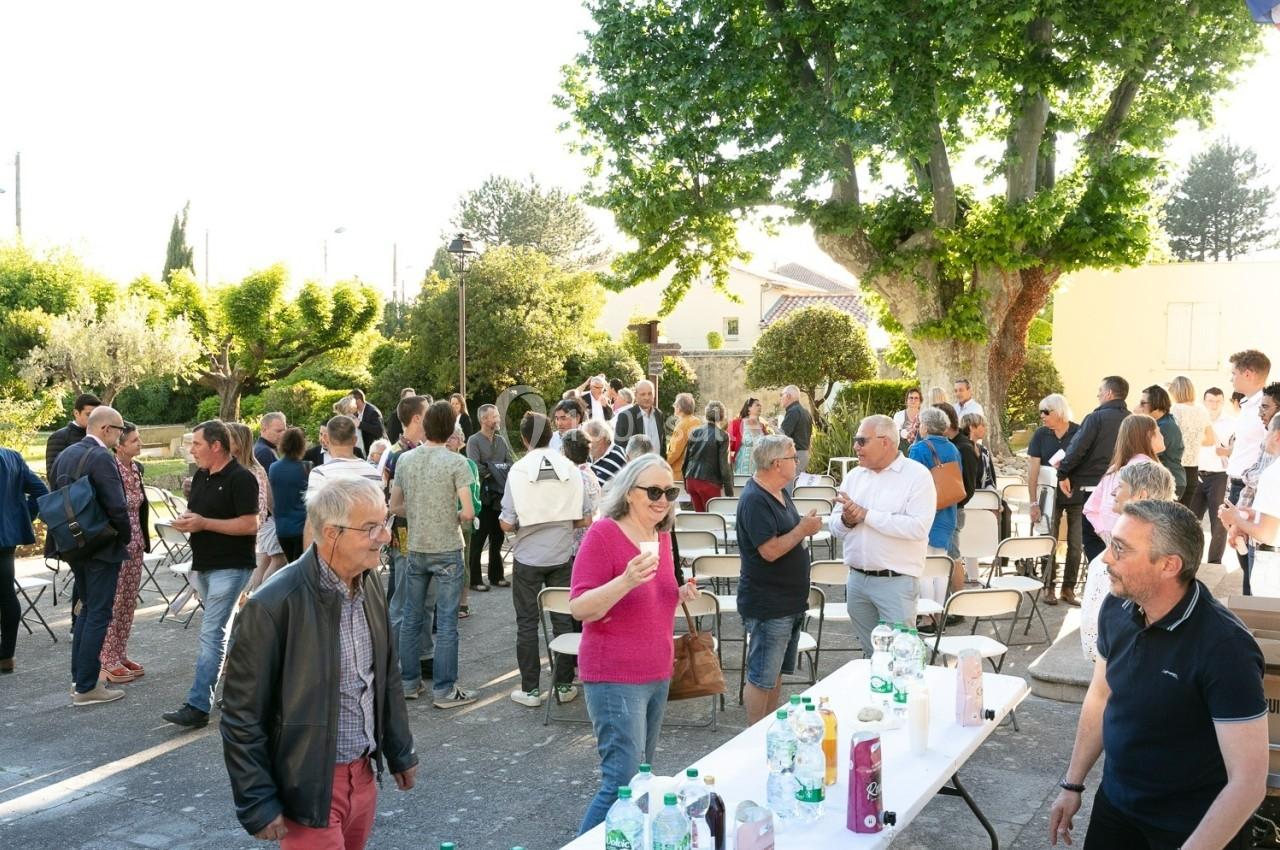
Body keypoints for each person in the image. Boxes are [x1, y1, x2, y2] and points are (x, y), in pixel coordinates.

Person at [1049, 500, 1266, 850]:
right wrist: (1072, 784)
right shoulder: (1117, 607)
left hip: (1192, 826)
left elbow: (1248, 781)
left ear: (1169, 565)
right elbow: (1101, 696)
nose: (1106, 558)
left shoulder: (1227, 649)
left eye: (1120, 548)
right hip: (1116, 806)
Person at [221, 476, 418, 849]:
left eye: (386, 522)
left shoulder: (369, 582)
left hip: (362, 776)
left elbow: (385, 676)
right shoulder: (273, 605)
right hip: (308, 785)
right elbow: (240, 715)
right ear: (331, 533)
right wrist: (257, 800)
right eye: (371, 527)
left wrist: (400, 750)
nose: (386, 536)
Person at [569, 454, 700, 833]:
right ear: (629, 493)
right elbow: (580, 607)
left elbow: (653, 600)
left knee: (640, 781)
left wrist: (679, 593)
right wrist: (625, 580)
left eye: (670, 492)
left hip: (657, 670)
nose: (663, 500)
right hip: (615, 675)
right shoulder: (604, 534)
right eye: (654, 491)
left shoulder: (659, 535)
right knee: (621, 785)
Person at [163, 419, 260, 728]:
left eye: (196, 444)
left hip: (231, 567)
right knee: (223, 634)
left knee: (211, 633)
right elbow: (203, 515)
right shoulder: (203, 476)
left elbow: (250, 524)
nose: (191, 450)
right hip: (204, 565)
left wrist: (203, 523)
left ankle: (197, 705)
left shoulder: (242, 478)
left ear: (216, 446)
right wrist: (187, 521)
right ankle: (255, 685)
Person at [388, 400, 478, 709]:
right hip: (447, 547)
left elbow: (394, 505)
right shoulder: (457, 463)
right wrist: (447, 514)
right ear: (452, 428)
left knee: (412, 617)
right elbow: (467, 512)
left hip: (416, 546)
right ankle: (444, 689)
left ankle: (409, 683)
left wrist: (419, 512)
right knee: (448, 621)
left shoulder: (406, 460)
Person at [500, 412, 591, 707]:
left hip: (528, 557)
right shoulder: (571, 468)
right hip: (562, 554)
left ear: (524, 438)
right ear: (551, 433)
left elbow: (506, 521)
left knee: (526, 623)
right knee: (563, 620)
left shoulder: (518, 470)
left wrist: (526, 523)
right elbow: (585, 517)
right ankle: (564, 685)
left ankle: (530, 690)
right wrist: (560, 523)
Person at [735, 434, 823, 724]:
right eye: (792, 457)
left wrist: (800, 527)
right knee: (762, 676)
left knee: (773, 677)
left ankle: (770, 732)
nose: (797, 462)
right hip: (769, 604)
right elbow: (770, 551)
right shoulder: (755, 499)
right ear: (776, 464)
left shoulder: (779, 491)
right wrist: (802, 530)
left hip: (787, 602)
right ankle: (756, 738)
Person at [830, 415, 935, 657]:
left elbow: (918, 528)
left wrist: (867, 515)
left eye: (861, 441)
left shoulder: (916, 476)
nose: (856, 446)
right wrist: (848, 519)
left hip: (895, 583)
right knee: (872, 656)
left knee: (902, 657)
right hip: (857, 581)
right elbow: (835, 527)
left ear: (885, 442)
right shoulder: (854, 476)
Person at [49, 406, 132, 705]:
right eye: (120, 430)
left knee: (86, 611)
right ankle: (86, 686)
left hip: (73, 543)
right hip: (100, 544)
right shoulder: (101, 458)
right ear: (106, 429)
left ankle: (79, 680)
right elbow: (117, 506)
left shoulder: (66, 454)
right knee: (98, 612)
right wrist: (125, 537)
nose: (121, 436)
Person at [1078, 461, 1176, 661]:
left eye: (1120, 486)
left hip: (1122, 659)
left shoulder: (1147, 548)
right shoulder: (1126, 536)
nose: (1113, 492)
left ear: (1141, 495)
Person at [98, 422, 151, 684]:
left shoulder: (137, 469)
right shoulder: (110, 469)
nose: (139, 444)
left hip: (137, 543)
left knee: (129, 603)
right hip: (117, 546)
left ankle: (120, 652)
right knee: (115, 602)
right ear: (119, 445)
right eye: (134, 440)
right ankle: (106, 659)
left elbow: (140, 507)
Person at [1057, 375, 1131, 560]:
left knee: (1091, 537)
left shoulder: (1096, 418)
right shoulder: (1133, 421)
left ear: (1108, 393)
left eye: (1099, 392)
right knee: (1118, 538)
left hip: (1094, 487)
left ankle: (1101, 578)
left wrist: (1063, 473)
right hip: (1124, 488)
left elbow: (1077, 448)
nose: (1097, 396)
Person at [1222, 381, 1280, 596]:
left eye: (1265, 407)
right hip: (1257, 533)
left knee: (1258, 606)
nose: (1260, 413)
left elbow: (1267, 531)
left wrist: (1237, 519)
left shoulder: (1273, 472)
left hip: (1269, 553)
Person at [1027, 394, 1083, 605]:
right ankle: (1048, 586)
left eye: (1046, 412)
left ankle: (1068, 588)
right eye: (1041, 412)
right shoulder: (1041, 435)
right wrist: (1033, 502)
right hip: (1049, 496)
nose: (1042, 416)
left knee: (1076, 543)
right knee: (1048, 540)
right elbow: (1032, 471)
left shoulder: (1079, 432)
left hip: (1076, 495)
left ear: (1058, 412)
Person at [908, 408, 963, 612]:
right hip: (948, 510)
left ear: (927, 426)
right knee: (940, 566)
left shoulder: (919, 449)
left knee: (924, 568)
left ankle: (928, 616)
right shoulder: (952, 448)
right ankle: (939, 614)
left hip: (926, 511)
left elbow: (910, 482)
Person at [1082, 413, 1164, 550]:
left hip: (1113, 543)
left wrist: (1105, 533)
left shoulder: (1114, 469)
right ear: (1149, 435)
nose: (1163, 436)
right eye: (1159, 431)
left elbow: (1090, 508)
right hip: (1139, 545)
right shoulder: (1149, 470)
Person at [0, 446, 49, 674]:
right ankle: (6, 655)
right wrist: (21, 517)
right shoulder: (11, 457)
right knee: (6, 593)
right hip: (5, 538)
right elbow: (41, 491)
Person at [1226, 350, 1271, 579]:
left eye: (1233, 373)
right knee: (1242, 556)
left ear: (1248, 373)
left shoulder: (1266, 408)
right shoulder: (1247, 405)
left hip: (1249, 489)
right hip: (1236, 485)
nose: (1231, 378)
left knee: (1250, 562)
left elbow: (1268, 455)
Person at [466, 403, 514, 592]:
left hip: (499, 496)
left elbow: (509, 463)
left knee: (498, 537)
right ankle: (475, 579)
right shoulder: (474, 441)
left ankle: (496, 575)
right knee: (478, 540)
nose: (498, 419)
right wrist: (496, 468)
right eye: (494, 416)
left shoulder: (501, 440)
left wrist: (492, 468)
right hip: (483, 497)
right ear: (484, 419)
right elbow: (475, 467)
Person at [227, 422, 278, 593]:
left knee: (267, 561)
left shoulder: (250, 470)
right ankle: (254, 600)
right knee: (268, 561)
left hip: (250, 528)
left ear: (239, 443)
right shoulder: (252, 468)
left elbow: (265, 502)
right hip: (248, 529)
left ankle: (255, 600)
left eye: (228, 438)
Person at [1189, 387, 1235, 563]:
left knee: (1218, 524)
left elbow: (1235, 450)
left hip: (1219, 476)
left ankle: (1214, 562)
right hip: (1196, 474)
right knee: (1191, 521)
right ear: (1204, 401)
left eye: (1217, 401)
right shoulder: (1196, 420)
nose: (1214, 404)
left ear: (1222, 402)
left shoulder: (1232, 423)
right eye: (1210, 401)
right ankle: (1191, 559)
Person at [307, 415, 383, 501]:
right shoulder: (375, 474)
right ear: (355, 440)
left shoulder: (319, 475)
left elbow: (313, 512)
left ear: (326, 438)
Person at [1167, 376, 1213, 506]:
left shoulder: (1175, 409)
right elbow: (1210, 440)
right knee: (1184, 514)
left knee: (1169, 514)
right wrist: (1195, 441)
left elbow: (1171, 437)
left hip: (1175, 467)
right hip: (1193, 469)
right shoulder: (1202, 409)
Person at [682, 400, 734, 511]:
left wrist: (685, 481)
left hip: (691, 479)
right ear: (722, 416)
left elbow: (686, 459)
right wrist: (729, 491)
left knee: (701, 518)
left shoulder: (694, 432)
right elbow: (724, 465)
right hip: (709, 482)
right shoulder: (723, 435)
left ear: (706, 414)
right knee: (713, 518)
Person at [269, 427, 309, 563]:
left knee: (290, 564)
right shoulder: (306, 467)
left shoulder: (273, 468)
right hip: (302, 527)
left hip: (282, 527)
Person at [1137, 385, 1185, 495]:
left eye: (1143, 403)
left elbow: (1148, 453)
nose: (1140, 406)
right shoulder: (1161, 423)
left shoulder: (1165, 426)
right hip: (1165, 480)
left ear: (1156, 403)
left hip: (1169, 482)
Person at [562, 428, 601, 555]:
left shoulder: (573, 477)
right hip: (591, 540)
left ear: (565, 451)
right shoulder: (590, 474)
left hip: (575, 546)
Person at [45, 392, 101, 475]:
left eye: (96, 415)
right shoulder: (59, 437)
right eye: (88, 414)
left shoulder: (99, 436)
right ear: (76, 413)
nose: (93, 418)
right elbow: (53, 474)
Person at [614, 380, 667, 458]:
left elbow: (663, 443)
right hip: (637, 467)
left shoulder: (658, 414)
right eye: (643, 394)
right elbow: (620, 447)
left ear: (654, 394)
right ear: (636, 395)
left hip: (656, 466)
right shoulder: (625, 416)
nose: (647, 397)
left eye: (650, 393)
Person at [778, 385, 813, 493]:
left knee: (789, 491)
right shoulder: (805, 412)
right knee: (798, 490)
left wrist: (772, 428)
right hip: (804, 454)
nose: (780, 398)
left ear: (788, 396)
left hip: (795, 455)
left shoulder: (793, 411)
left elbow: (783, 435)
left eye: (781, 395)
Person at [665, 392, 702, 481]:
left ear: (679, 408)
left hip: (679, 472)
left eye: (675, 404)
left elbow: (674, 452)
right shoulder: (697, 422)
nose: (674, 407)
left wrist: (662, 464)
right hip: (694, 471)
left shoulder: (682, 426)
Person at [729, 397, 770, 477]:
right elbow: (728, 445)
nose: (760, 407)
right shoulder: (737, 424)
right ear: (748, 408)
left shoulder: (761, 426)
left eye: (760, 405)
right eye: (757, 405)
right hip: (742, 465)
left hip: (759, 467)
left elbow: (768, 445)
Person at [582, 419, 628, 485]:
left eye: (586, 438)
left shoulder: (620, 457)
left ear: (601, 439)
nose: (583, 442)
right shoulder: (585, 454)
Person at [350, 388, 384, 454]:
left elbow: (379, 431)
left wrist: (360, 424)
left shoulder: (373, 411)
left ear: (359, 401)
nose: (350, 404)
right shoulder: (355, 412)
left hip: (376, 452)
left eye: (351, 402)